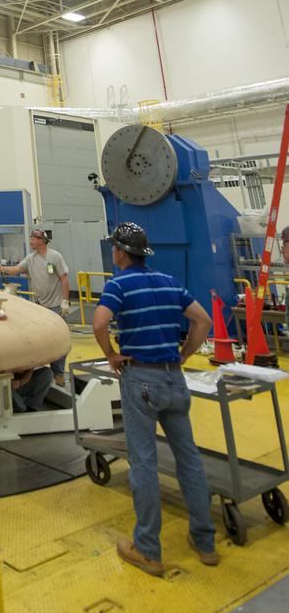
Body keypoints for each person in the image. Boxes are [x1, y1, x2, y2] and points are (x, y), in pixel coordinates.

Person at [92, 221, 217, 577]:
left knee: (144, 463)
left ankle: (147, 550)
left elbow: (99, 323)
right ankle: (204, 542)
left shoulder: (118, 285)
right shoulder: (169, 281)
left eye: (114, 248)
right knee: (189, 459)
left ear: (120, 253)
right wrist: (183, 355)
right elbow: (203, 321)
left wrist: (111, 355)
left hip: (141, 381)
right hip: (173, 379)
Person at [0, 228, 70, 384]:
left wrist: (65, 301)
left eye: (33, 239)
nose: (30, 241)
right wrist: (2, 269)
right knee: (44, 340)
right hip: (41, 306)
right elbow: (16, 269)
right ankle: (42, 372)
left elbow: (64, 278)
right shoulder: (31, 259)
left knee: (58, 340)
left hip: (57, 306)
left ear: (42, 240)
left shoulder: (55, 257)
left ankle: (58, 374)